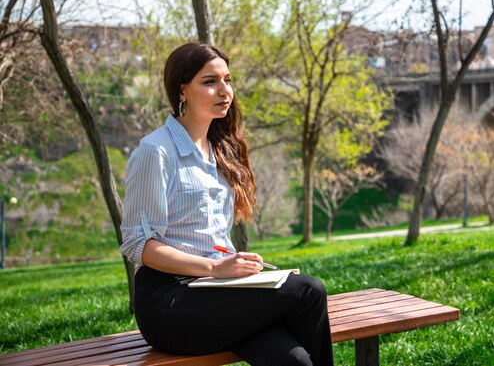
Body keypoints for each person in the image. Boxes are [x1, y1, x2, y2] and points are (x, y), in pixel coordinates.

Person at [120, 42, 334, 366]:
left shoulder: (220, 149)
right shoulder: (156, 151)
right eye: (210, 82)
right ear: (182, 91)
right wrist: (215, 268)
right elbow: (138, 244)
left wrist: (232, 268)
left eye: (228, 80)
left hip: (216, 292)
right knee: (308, 291)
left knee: (295, 362)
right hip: (169, 303)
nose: (224, 91)